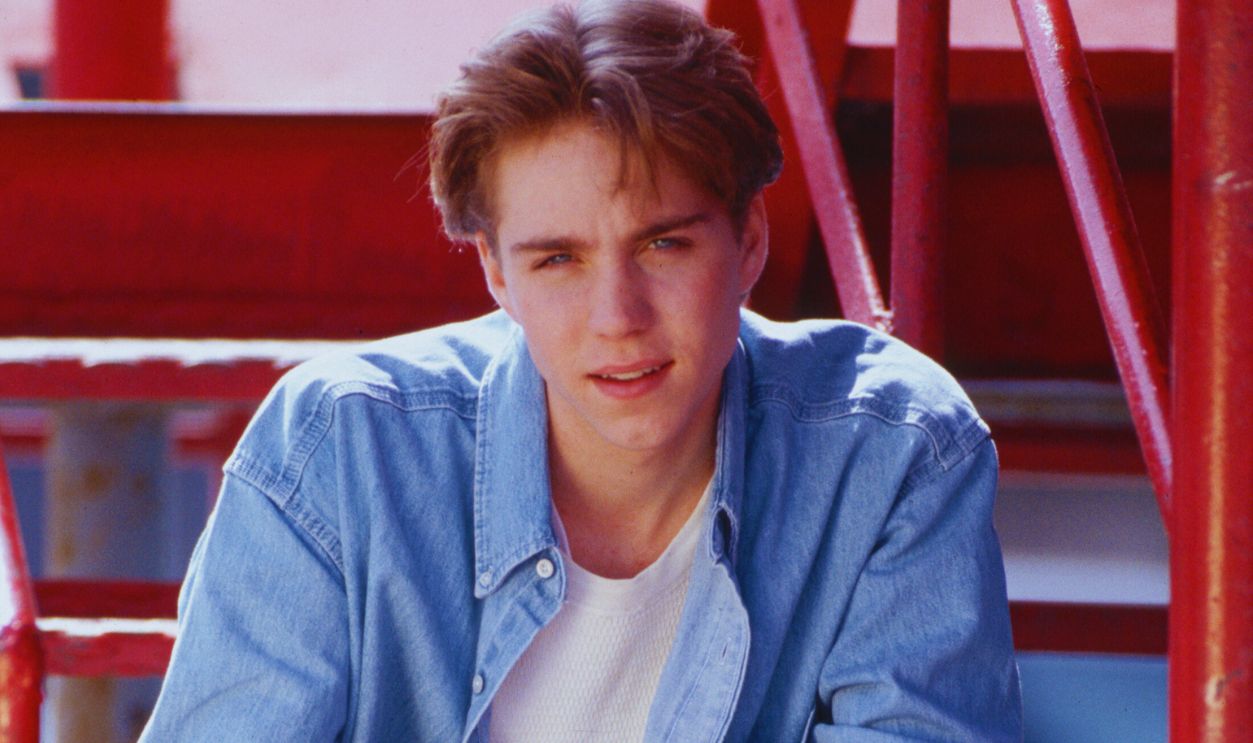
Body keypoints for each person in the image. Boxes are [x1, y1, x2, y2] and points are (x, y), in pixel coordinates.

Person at [141, 0, 1022, 740]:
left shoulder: (891, 452)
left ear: (749, 238)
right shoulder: (340, 448)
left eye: (663, 243)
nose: (618, 318)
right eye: (557, 259)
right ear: (495, 273)